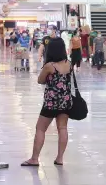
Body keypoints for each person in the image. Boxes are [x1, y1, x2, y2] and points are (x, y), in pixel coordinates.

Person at [21, 38, 73, 166]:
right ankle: (60, 158)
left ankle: (34, 159)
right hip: (65, 101)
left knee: (40, 128)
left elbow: (40, 80)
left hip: (51, 102)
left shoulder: (50, 66)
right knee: (62, 128)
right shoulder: (69, 63)